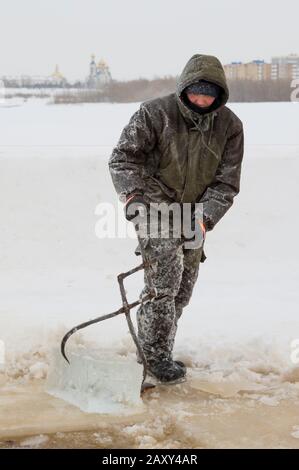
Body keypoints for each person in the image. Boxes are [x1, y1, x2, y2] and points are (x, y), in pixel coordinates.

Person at [108, 54, 244, 383]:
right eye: (196, 92)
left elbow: (226, 183)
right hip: (155, 207)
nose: (201, 100)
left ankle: (158, 347)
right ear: (184, 88)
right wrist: (134, 198)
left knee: (182, 291)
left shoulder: (230, 126)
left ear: (220, 94)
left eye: (209, 94)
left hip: (195, 212)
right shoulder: (155, 113)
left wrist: (206, 217)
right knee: (163, 287)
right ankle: (153, 359)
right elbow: (123, 158)